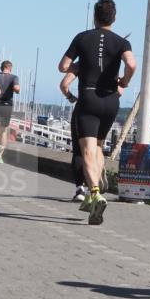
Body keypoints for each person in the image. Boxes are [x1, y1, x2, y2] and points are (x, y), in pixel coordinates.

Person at [58, 0, 137, 225]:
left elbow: (63, 66)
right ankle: (97, 186)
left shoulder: (82, 38)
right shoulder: (122, 42)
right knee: (99, 147)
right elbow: (132, 64)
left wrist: (81, 66)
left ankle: (94, 193)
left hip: (89, 97)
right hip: (110, 100)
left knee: (87, 150)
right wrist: (124, 81)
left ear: (95, 16)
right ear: (114, 18)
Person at [60, 70, 87, 202]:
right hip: (105, 107)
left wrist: (70, 97)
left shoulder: (82, 63)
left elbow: (64, 85)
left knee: (78, 151)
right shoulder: (111, 63)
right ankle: (95, 188)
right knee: (97, 148)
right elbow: (119, 90)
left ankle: (80, 189)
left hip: (84, 104)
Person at [0, 61, 20, 163]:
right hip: (7, 106)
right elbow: (17, 88)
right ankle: (0, 156)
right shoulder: (14, 77)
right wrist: (16, 89)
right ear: (10, 68)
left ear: (1, 67)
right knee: (3, 131)